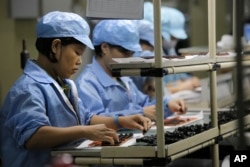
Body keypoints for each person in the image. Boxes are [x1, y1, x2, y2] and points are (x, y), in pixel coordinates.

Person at [0, 11, 152, 167]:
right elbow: (33, 136)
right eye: (77, 53)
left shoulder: (65, 84)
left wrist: (120, 121)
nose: (79, 61)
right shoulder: (28, 88)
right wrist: (84, 131)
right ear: (56, 46)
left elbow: (86, 118)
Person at [75, 19, 187, 122]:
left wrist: (167, 105)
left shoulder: (123, 77)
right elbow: (92, 121)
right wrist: (140, 113)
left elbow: (144, 104)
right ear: (105, 47)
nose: (129, 58)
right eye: (124, 52)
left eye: (132, 53)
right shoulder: (86, 84)